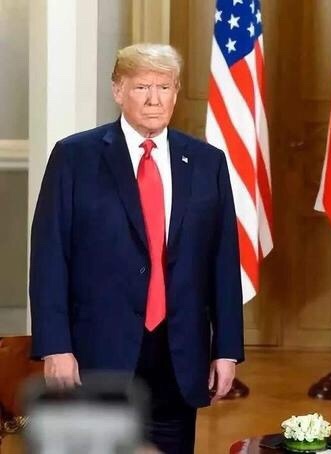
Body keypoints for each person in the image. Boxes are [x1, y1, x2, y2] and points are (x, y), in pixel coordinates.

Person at [29, 43, 244, 454]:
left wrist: (227, 350)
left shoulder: (207, 162)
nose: (154, 99)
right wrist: (55, 345)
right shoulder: (74, 157)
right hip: (98, 353)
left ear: (176, 92)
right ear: (118, 91)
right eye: (142, 87)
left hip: (178, 353)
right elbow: (49, 257)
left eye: (164, 87)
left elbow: (223, 262)